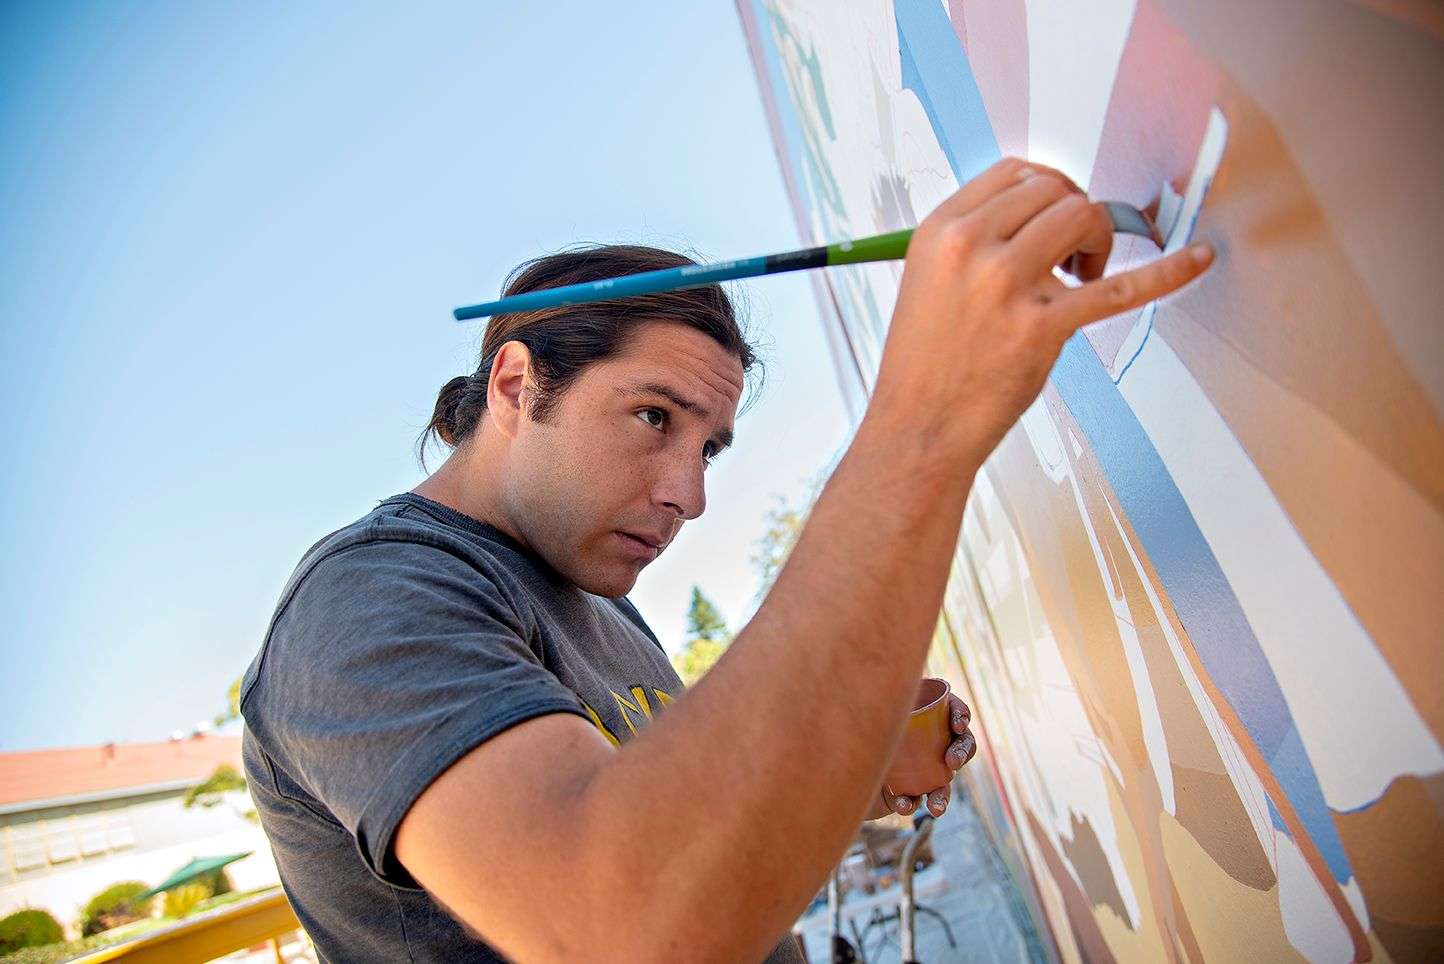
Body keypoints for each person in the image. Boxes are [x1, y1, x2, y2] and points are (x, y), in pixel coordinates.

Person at [239, 156, 1212, 962]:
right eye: (652, 416)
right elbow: (624, 930)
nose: (688, 492)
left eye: (708, 447)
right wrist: (924, 420)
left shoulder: (598, 604)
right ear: (514, 382)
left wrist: (847, 765)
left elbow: (685, 842)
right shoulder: (368, 601)